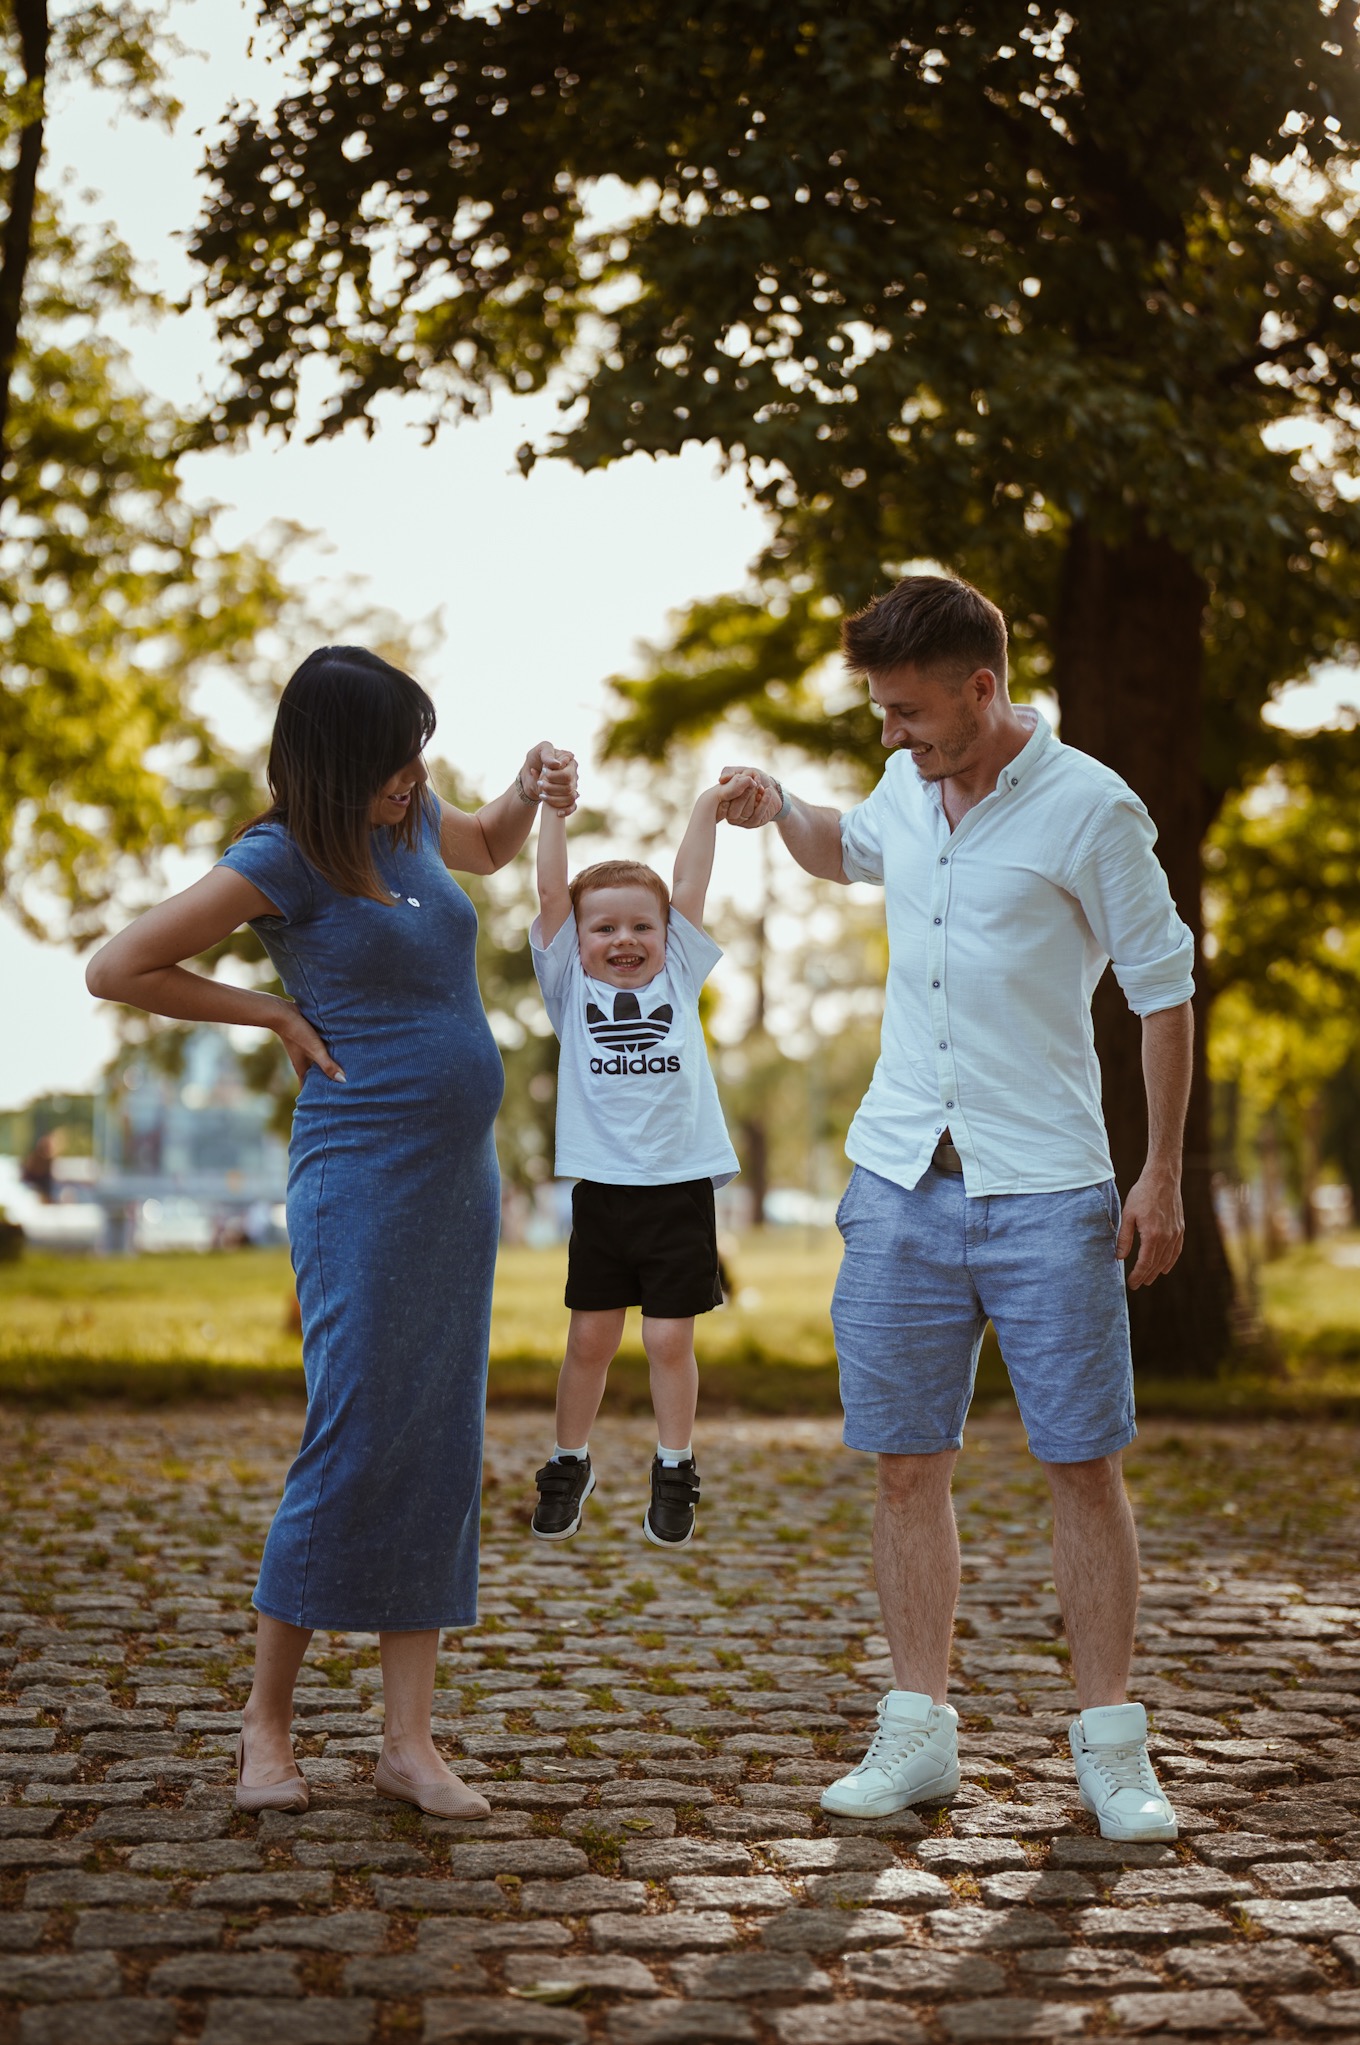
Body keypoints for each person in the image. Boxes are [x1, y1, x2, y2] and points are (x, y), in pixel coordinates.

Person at [719, 575, 1192, 1843]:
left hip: (1046, 1186)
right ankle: (919, 1732)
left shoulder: (1093, 808)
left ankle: (1110, 1749)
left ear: (982, 689)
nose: (891, 732)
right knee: (903, 1464)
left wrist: (1159, 1173)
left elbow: (1161, 990)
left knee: (1080, 1464)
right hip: (896, 1184)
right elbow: (843, 849)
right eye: (879, 711)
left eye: (908, 711)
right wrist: (785, 812)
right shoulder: (905, 789)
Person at [85, 646, 577, 1818]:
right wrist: (265, 1010)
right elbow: (120, 965)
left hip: (457, 1178)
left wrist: (525, 788)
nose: (414, 776)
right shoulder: (279, 856)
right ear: (333, 761)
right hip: (358, 1174)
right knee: (354, 1430)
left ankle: (408, 1740)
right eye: (393, 758)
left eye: (418, 754)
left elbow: (495, 846)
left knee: (440, 1434)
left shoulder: (410, 818)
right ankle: (265, 1723)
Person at [526, 775, 755, 1548]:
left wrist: (705, 807)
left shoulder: (678, 977)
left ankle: (674, 1461)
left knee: (667, 1340)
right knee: (589, 1338)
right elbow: (552, 887)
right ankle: (569, 1458)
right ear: (577, 941)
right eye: (604, 929)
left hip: (678, 1191)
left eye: (641, 926)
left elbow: (689, 879)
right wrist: (553, 811)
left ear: (667, 935)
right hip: (603, 1195)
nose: (623, 940)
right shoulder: (567, 987)